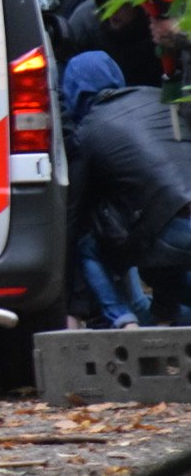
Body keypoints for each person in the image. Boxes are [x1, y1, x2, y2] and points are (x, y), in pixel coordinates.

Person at [62, 51, 191, 324]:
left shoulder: (87, 131)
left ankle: (123, 321)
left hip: (168, 227)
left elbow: (75, 213)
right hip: (177, 221)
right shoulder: (156, 97)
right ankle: (163, 320)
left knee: (87, 245)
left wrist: (72, 302)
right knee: (163, 266)